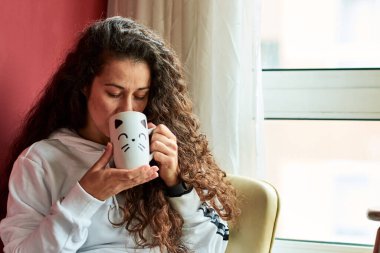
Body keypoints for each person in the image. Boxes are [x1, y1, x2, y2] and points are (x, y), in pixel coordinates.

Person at [0, 16, 240, 253]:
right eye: (114, 93)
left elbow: (213, 247)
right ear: (84, 85)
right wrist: (86, 196)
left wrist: (177, 185)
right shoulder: (40, 161)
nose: (128, 109)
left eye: (140, 95)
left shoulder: (161, 151)